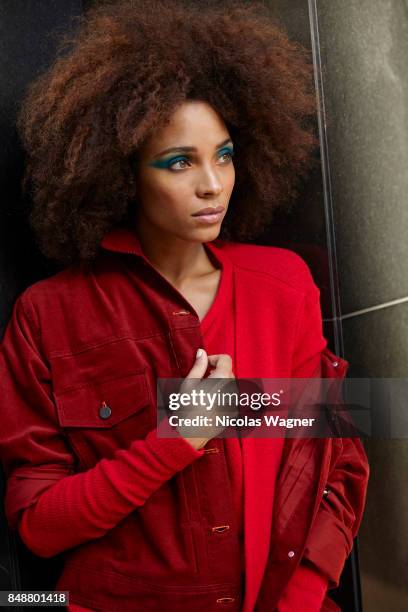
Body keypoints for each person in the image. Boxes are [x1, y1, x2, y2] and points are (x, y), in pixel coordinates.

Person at [0, 1, 369, 610]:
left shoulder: (285, 284)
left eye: (223, 155)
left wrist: (301, 596)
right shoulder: (48, 315)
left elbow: (335, 464)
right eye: (179, 162)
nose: (213, 184)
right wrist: (176, 440)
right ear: (122, 173)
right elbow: (39, 524)